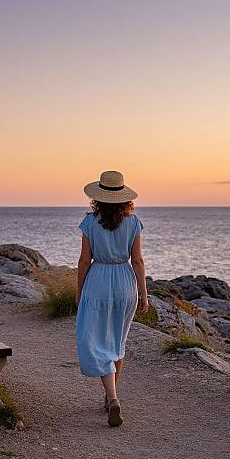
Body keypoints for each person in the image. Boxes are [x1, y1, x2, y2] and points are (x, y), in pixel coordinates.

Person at [75, 170, 148, 427]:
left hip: (98, 280)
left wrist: (78, 290)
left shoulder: (90, 223)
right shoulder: (133, 222)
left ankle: (112, 396)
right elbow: (137, 260)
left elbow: (84, 261)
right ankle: (110, 398)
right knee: (118, 340)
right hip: (125, 282)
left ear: (98, 197)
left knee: (95, 340)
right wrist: (143, 293)